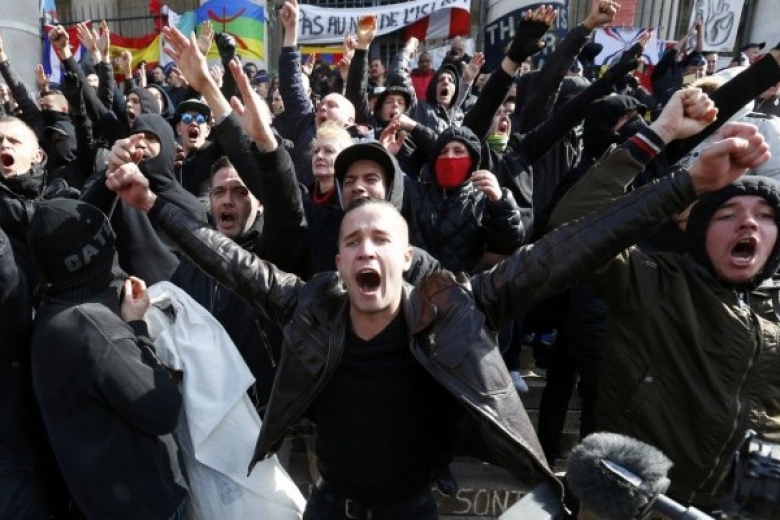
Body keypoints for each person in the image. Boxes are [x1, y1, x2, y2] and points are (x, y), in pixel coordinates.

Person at [106, 88, 757, 518]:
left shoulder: (460, 308)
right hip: (328, 507)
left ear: (407, 257)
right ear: (339, 263)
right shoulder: (310, 305)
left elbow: (573, 246)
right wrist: (151, 203)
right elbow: (226, 258)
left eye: (380, 238)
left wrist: (685, 182)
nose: (366, 247)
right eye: (352, 240)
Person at [548, 93, 775, 509]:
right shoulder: (655, 281)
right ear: (700, 231)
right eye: (728, 215)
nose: (748, 223)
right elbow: (572, 225)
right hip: (640, 505)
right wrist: (663, 138)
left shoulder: (772, 312)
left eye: (765, 215)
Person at [27, 198, 187, 519]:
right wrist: (137, 328)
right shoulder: (94, 328)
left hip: (98, 504)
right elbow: (163, 410)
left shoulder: (48, 314)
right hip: (146, 507)